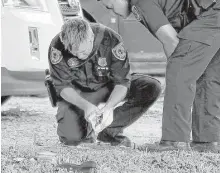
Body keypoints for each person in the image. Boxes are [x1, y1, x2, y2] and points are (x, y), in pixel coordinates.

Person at [96, 0, 220, 153]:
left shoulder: (139, 0)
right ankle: (207, 143)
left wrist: (178, 70)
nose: (113, 13)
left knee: (179, 71)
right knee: (208, 76)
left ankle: (174, 142)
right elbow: (173, 43)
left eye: (110, 6)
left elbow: (170, 40)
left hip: (217, 9)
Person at [48, 18, 161, 147]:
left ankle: (108, 130)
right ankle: (86, 129)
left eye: (84, 51)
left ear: (91, 38)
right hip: (79, 91)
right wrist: (86, 107)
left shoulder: (111, 39)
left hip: (108, 85)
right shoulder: (57, 46)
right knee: (71, 138)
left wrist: (108, 108)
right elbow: (63, 86)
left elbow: (122, 82)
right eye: (74, 53)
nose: (79, 56)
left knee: (150, 87)